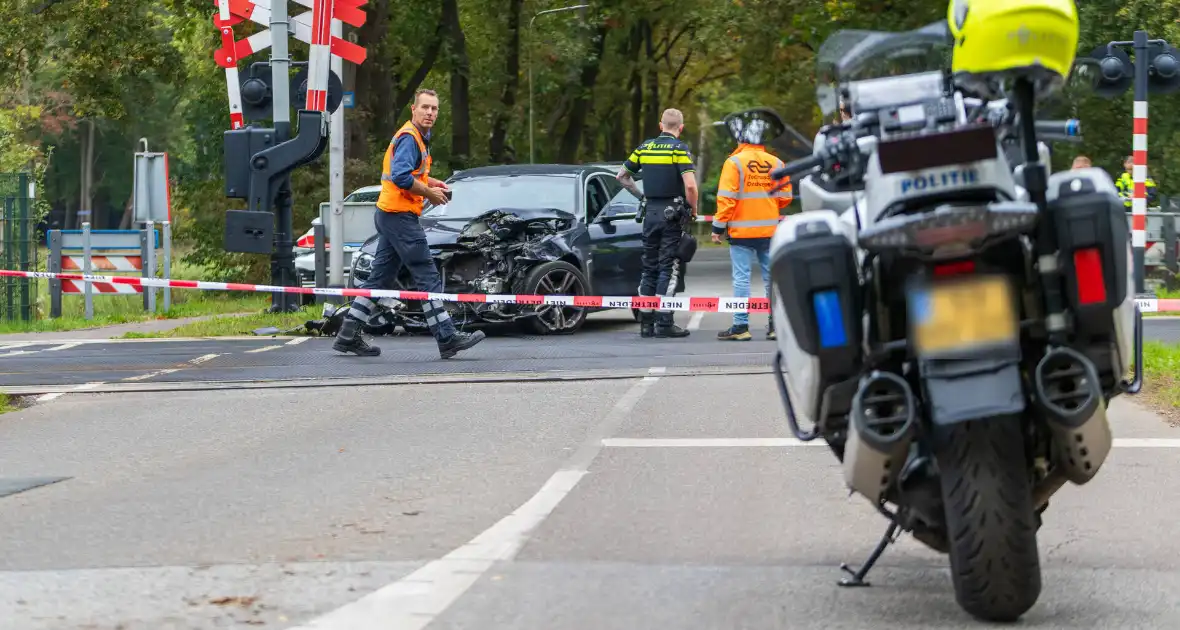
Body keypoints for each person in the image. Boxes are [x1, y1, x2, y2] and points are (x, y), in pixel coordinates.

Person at [332, 88, 486, 358]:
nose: (430, 113)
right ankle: (447, 337)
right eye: (425, 107)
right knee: (427, 275)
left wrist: (431, 182)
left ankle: (347, 335)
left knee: (380, 279)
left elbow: (411, 174)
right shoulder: (410, 138)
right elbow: (401, 177)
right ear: (413, 109)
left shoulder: (417, 138)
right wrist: (430, 194)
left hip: (390, 215)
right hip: (399, 217)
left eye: (434, 108)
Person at [616, 108, 698, 338]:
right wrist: (693, 210)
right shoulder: (679, 149)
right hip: (672, 215)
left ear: (660, 126)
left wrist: (641, 196)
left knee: (649, 266)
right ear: (681, 128)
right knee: (667, 267)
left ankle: (646, 323)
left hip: (650, 213)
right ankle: (664, 323)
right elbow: (690, 185)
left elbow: (622, 176)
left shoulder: (645, 148)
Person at [712, 118, 793, 341]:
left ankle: (741, 327)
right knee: (772, 278)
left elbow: (726, 199)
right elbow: (785, 198)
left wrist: (718, 227)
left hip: (741, 232)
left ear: (742, 139)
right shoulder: (777, 163)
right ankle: (775, 325)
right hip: (769, 231)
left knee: (741, 278)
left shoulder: (734, 162)